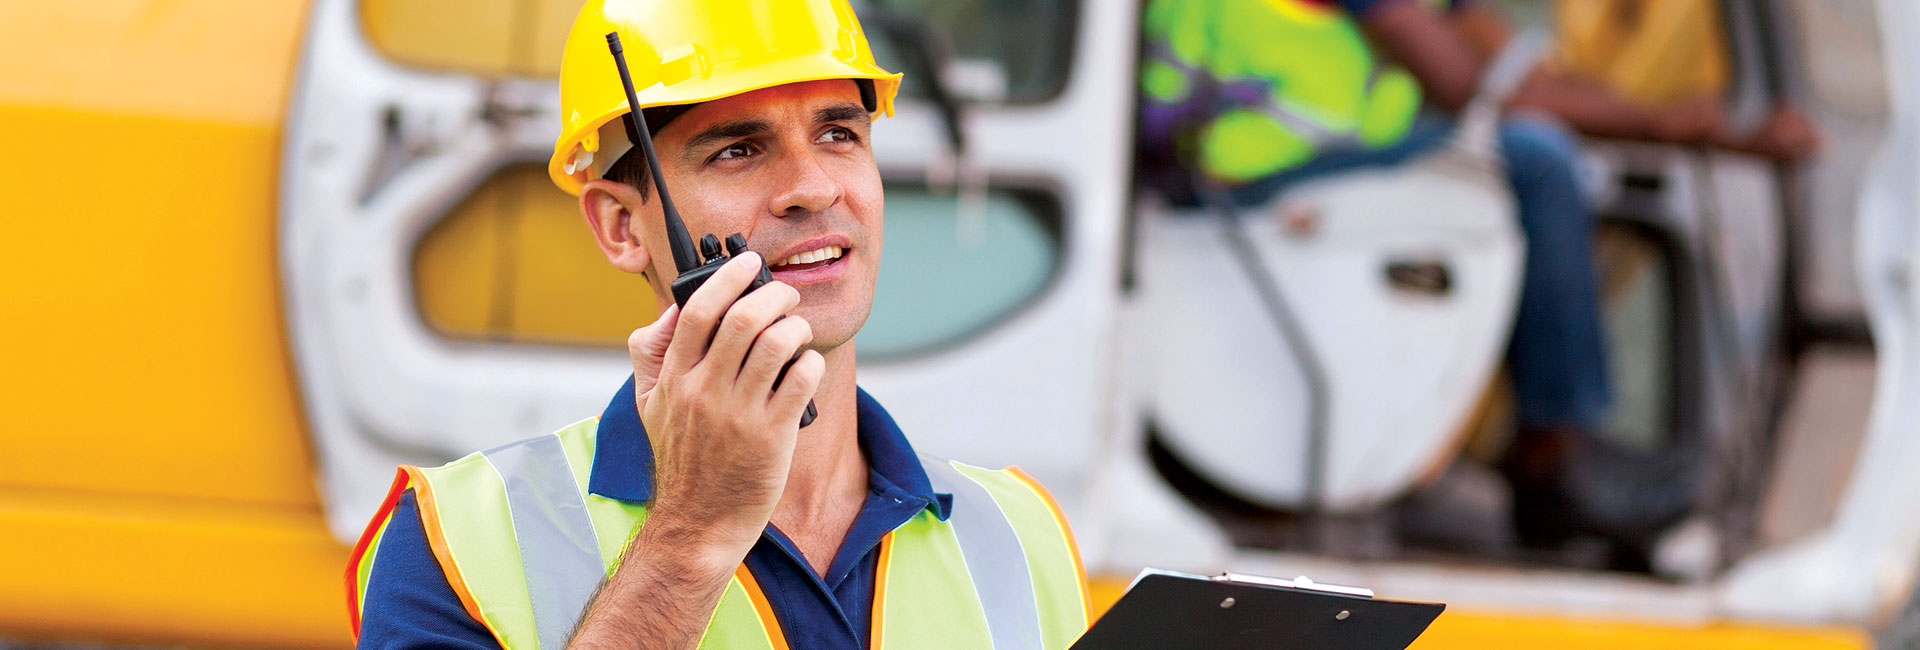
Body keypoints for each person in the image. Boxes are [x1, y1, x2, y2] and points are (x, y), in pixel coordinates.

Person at [345, 1, 1091, 649]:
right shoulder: (454, 542)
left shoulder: (1021, 536)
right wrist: (690, 532)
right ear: (620, 226)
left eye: (839, 135)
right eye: (738, 150)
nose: (811, 186)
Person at [1137, 0, 1817, 555]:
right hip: (1239, 192)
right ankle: (1553, 451)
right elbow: (1480, 90)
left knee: (1531, 153)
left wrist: (1718, 133)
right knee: (1534, 160)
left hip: (1272, 191)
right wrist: (1669, 122)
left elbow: (1517, 68)